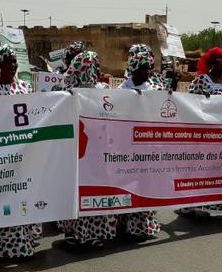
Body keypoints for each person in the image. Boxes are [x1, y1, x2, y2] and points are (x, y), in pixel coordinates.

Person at [0, 45, 41, 260]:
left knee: (22, 197)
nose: (12, 66)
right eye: (8, 62)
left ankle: (23, 243)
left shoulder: (24, 88)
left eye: (14, 62)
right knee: (3, 200)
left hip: (23, 155)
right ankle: (6, 247)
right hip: (0, 158)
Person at [58, 51, 118, 249]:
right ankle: (74, 233)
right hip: (77, 152)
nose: (99, 69)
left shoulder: (103, 89)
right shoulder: (65, 91)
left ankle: (96, 232)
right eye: (96, 65)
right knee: (78, 191)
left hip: (98, 152)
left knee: (97, 191)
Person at [178, 47, 222, 222]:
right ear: (212, 62)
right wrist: (204, 102)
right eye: (221, 60)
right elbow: (190, 106)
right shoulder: (200, 81)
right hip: (207, 137)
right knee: (203, 172)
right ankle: (192, 204)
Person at [114, 44, 164, 240]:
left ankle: (143, 226)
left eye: (149, 68)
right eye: (143, 68)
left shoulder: (156, 88)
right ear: (134, 68)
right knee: (129, 184)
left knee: (147, 184)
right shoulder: (122, 89)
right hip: (128, 148)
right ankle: (125, 222)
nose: (147, 72)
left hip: (149, 147)